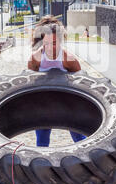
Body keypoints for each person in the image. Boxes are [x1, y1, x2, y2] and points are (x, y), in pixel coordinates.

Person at [28, 15, 86, 147]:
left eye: (54, 43)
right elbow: (29, 83)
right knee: (42, 140)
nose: (50, 47)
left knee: (79, 137)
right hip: (44, 103)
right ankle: (41, 165)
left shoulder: (68, 59)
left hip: (66, 102)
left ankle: (91, 163)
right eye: (46, 43)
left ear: (60, 41)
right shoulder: (36, 58)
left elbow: (82, 83)